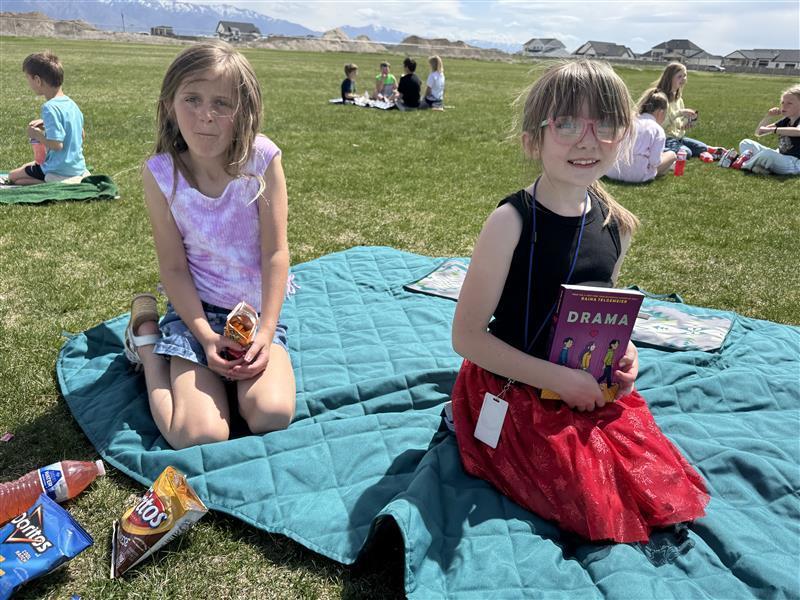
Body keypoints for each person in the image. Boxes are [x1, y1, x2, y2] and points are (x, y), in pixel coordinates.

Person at [450, 59, 709, 543]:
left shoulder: (618, 224)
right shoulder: (510, 222)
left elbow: (600, 312)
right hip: (511, 385)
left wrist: (625, 352)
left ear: (625, 134)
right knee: (590, 499)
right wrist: (558, 379)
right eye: (567, 123)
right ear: (534, 138)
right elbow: (465, 338)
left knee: (654, 478)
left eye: (605, 123)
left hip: (583, 382)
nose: (587, 140)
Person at [124, 41, 296, 450]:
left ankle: (234, 367)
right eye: (192, 99)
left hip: (254, 317)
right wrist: (204, 337)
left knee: (270, 414)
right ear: (169, 104)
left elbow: (275, 253)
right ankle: (147, 347)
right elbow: (174, 268)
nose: (206, 114)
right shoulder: (161, 175)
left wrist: (266, 333)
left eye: (222, 102)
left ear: (245, 111)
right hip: (195, 315)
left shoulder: (262, 159)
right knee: (198, 435)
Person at [7, 51, 89, 185]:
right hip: (76, 167)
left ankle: (52, 181)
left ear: (38, 80)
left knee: (13, 177)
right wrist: (46, 123)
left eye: (28, 78)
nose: (28, 83)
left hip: (58, 169)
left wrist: (37, 134)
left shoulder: (49, 108)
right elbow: (81, 134)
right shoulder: (71, 104)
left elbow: (56, 145)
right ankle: (53, 179)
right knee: (24, 170)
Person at [606, 88, 676, 182]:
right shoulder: (657, 129)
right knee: (671, 155)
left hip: (612, 171)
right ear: (660, 112)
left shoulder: (629, 122)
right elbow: (654, 162)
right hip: (637, 175)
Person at [653, 62, 719, 158]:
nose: (683, 79)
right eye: (679, 76)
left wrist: (687, 122)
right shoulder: (660, 97)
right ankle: (658, 149)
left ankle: (676, 148)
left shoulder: (678, 98)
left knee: (702, 147)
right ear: (669, 77)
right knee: (687, 153)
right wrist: (681, 113)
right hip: (665, 138)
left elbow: (679, 124)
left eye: (685, 76)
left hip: (678, 137)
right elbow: (660, 124)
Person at [735, 85, 800, 175]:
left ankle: (742, 164)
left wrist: (774, 130)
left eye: (789, 103)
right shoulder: (786, 120)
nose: (784, 106)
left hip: (795, 163)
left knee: (768, 154)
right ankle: (759, 167)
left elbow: (798, 131)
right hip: (781, 157)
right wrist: (768, 116)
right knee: (745, 142)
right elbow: (759, 133)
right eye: (782, 102)